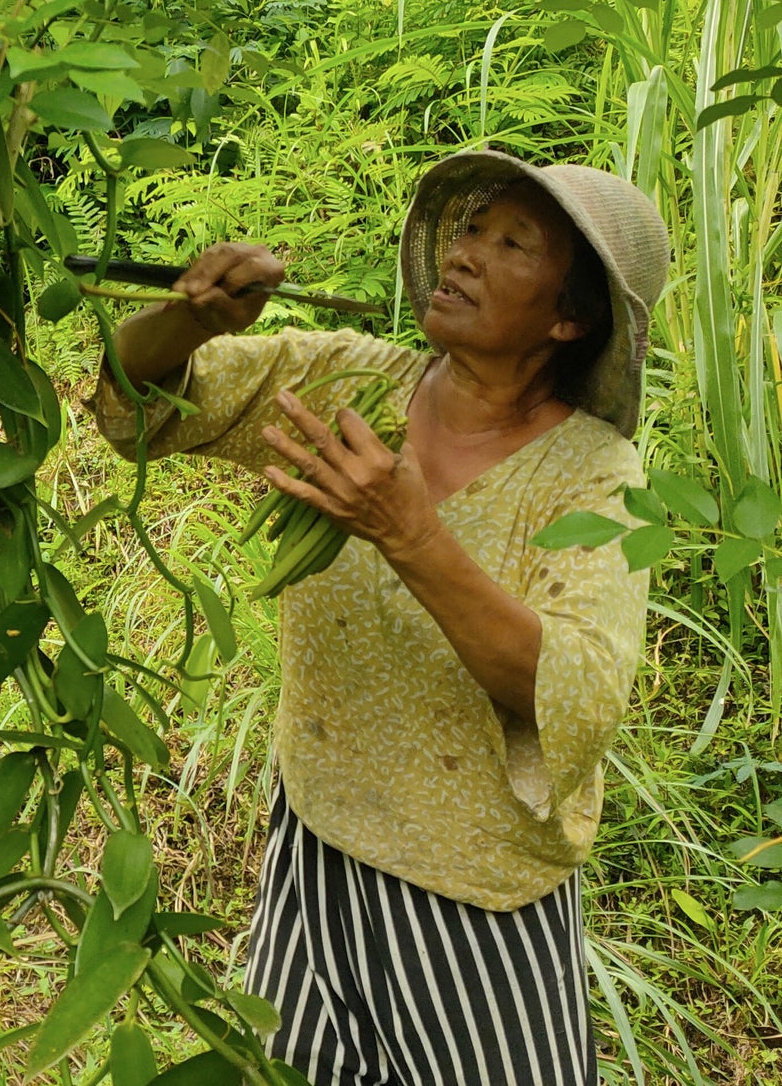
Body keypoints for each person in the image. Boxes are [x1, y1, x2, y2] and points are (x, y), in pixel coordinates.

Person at [90, 150, 669, 1085]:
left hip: (475, 902)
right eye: (471, 228)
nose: (466, 253)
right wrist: (188, 320)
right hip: (315, 849)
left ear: (568, 318)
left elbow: (574, 692)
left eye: (513, 243)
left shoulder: (593, 475)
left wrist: (411, 532)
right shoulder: (349, 384)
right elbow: (140, 405)